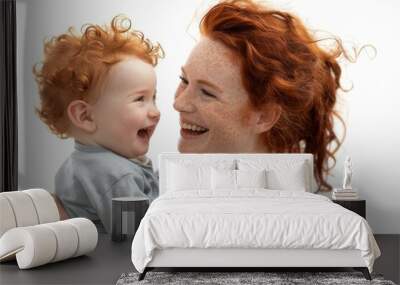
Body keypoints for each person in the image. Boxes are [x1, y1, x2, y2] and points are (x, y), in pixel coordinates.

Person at [174, 0, 352, 191]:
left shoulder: (291, 217)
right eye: (184, 80)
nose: (179, 103)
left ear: (264, 117)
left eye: (207, 93)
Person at [33, 15, 163, 232]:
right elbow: (139, 236)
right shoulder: (117, 176)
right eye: (140, 99)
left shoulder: (75, 165)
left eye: (154, 98)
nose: (156, 112)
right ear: (86, 117)